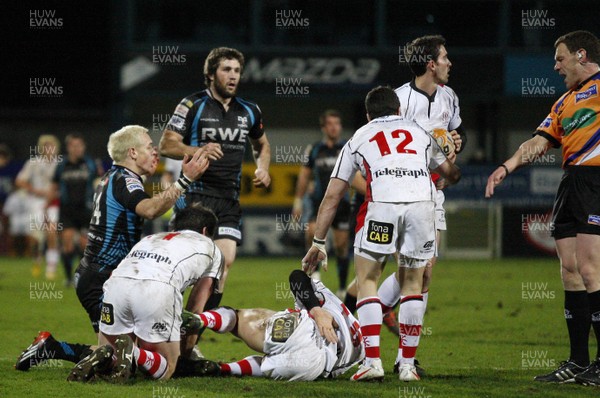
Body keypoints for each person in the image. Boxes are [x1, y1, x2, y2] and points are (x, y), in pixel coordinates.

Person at [302, 86, 461, 381]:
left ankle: (372, 363)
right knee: (413, 282)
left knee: (367, 280)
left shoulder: (358, 138)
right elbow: (452, 174)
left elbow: (333, 195)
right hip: (420, 207)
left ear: (367, 114)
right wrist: (448, 154)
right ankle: (407, 366)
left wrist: (318, 242)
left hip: (382, 209)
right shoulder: (419, 132)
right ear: (399, 109)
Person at [486, 30, 600, 386]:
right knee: (569, 271)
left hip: (596, 181)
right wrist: (507, 166)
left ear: (581, 55)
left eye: (560, 58)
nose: (555, 66)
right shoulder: (564, 102)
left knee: (591, 267)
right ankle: (578, 362)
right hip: (570, 183)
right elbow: (539, 142)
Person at [159, 47, 271, 313]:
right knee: (186, 267)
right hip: (196, 197)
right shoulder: (192, 104)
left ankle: (191, 337)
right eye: (226, 70)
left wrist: (262, 168)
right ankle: (163, 323)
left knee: (222, 264)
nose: (233, 76)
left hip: (229, 200)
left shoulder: (249, 110)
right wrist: (197, 150)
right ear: (211, 74)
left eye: (237, 71)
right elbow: (166, 144)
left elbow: (262, 145)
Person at [67, 204, 224, 383]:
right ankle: (134, 352)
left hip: (116, 285)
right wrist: (185, 352)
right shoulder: (212, 247)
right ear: (205, 231)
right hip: (156, 288)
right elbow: (196, 305)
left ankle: (107, 356)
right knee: (168, 367)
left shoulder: (150, 237)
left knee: (111, 352)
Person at [193, 269, 363, 381]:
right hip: (312, 366)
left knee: (239, 317)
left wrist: (317, 311)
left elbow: (296, 277)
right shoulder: (361, 351)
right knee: (265, 365)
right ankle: (224, 368)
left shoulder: (340, 309)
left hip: (303, 330)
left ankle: (202, 319)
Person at [292, 110, 350, 295]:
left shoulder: (348, 148)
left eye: (337, 123)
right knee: (311, 232)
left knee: (342, 245)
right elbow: (304, 176)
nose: (334, 127)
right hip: (319, 202)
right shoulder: (315, 149)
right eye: (330, 124)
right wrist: (298, 202)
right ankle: (315, 275)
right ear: (324, 127)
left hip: (342, 204)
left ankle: (342, 287)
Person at [51, 134, 103, 286]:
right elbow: (54, 187)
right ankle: (68, 278)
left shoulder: (91, 164)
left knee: (84, 245)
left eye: (80, 145)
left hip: (86, 210)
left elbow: (101, 182)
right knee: (67, 242)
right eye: (74, 145)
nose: (77, 148)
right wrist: (47, 206)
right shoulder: (62, 166)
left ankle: (82, 276)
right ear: (68, 148)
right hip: (67, 210)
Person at [15, 134, 61, 279]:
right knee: (36, 237)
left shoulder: (60, 164)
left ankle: (51, 267)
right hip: (36, 202)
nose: (49, 149)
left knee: (52, 231)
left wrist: (53, 194)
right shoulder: (33, 163)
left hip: (53, 201)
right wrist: (35, 190)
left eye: (52, 145)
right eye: (46, 146)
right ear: (42, 148)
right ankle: (36, 258)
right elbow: (19, 181)